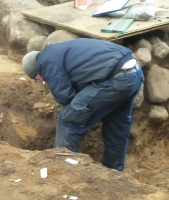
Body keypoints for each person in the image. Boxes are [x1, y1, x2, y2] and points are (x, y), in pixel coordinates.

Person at [21, 38, 144, 171]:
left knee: (68, 119)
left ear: (36, 72)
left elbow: (64, 95)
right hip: (133, 73)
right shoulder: (58, 50)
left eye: (37, 80)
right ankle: (113, 171)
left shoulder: (45, 62)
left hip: (117, 79)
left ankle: (64, 169)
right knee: (116, 125)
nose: (41, 80)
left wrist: (71, 108)